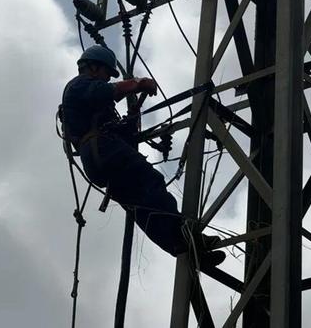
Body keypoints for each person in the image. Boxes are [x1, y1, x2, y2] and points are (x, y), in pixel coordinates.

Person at [60, 45, 224, 264]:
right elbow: (107, 91)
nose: (107, 77)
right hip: (103, 150)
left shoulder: (92, 110)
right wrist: (137, 84)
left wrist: (132, 117)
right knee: (150, 181)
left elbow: (123, 134)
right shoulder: (78, 86)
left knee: (141, 206)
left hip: (100, 156)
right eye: (107, 72)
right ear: (93, 67)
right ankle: (185, 234)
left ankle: (179, 244)